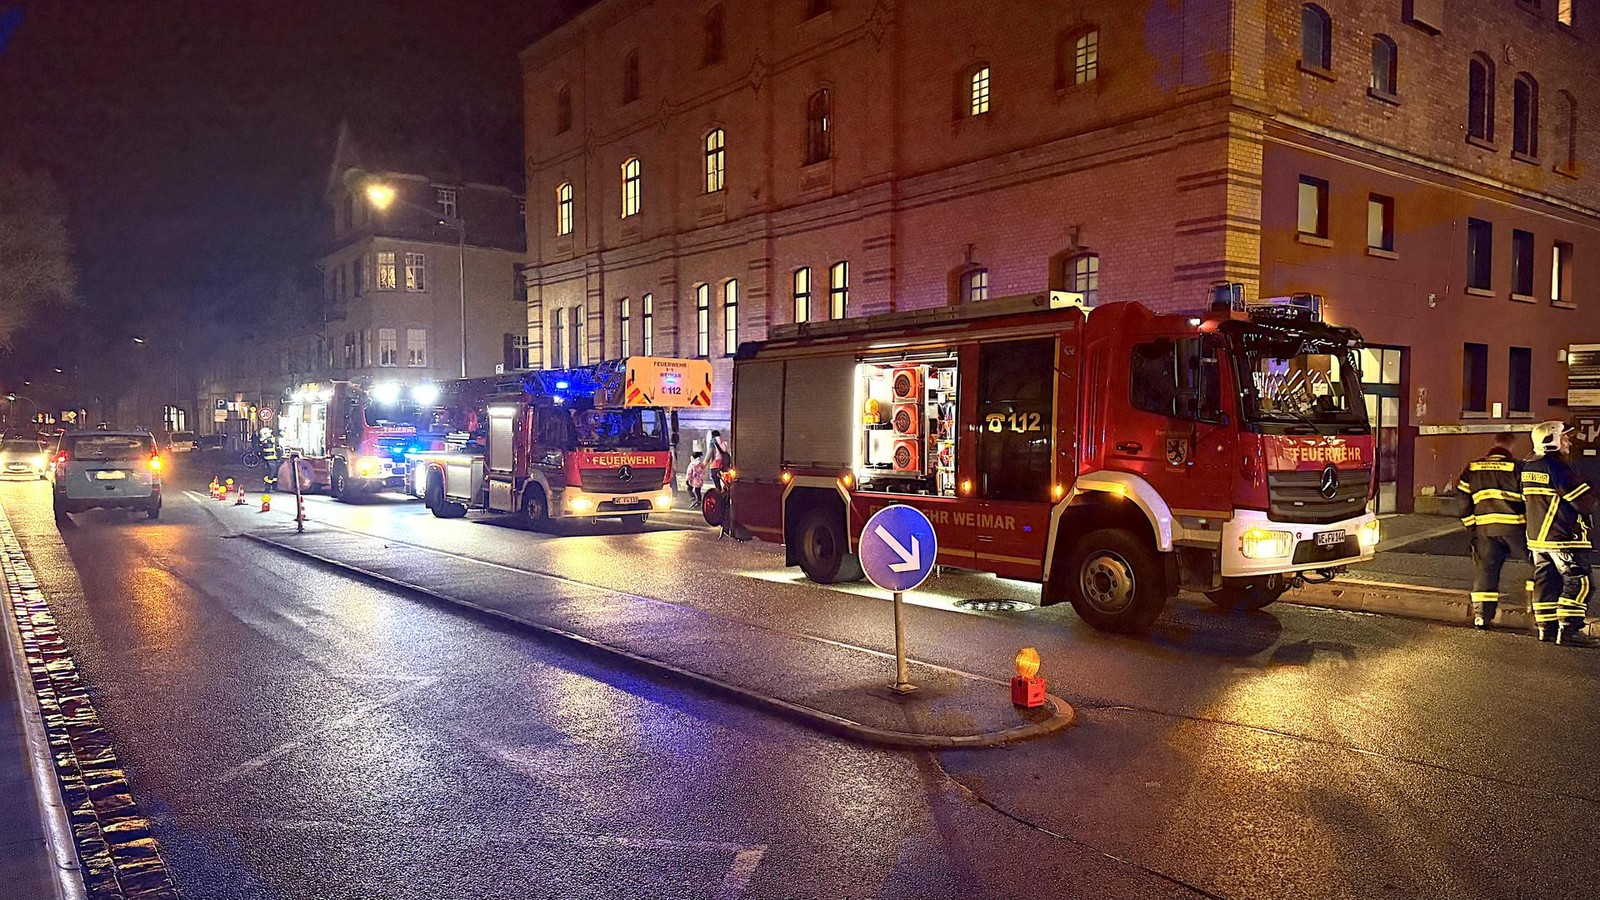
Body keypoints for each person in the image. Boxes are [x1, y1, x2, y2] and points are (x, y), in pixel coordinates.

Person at [1521, 421, 1599, 647]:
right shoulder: (1560, 468)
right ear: (1551, 441)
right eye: (1564, 438)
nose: (1568, 442)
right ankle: (1569, 630)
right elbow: (1584, 503)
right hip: (1563, 537)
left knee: (1547, 583)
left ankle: (1546, 628)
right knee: (1580, 582)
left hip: (1538, 539)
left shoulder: (1529, 467)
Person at [1456, 432, 1525, 629]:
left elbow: (1462, 500)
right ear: (1510, 447)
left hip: (1485, 530)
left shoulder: (1473, 467)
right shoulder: (1517, 468)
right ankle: (1537, 611)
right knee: (1537, 566)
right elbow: (1530, 498)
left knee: (1486, 571)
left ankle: (1481, 617)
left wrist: (1471, 524)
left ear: (1494, 444)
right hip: (1515, 528)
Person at [259, 426, 280, 493]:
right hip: (270, 459)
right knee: (272, 473)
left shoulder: (266, 440)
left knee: (274, 474)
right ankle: (268, 487)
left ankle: (273, 487)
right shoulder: (268, 440)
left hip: (271, 459)